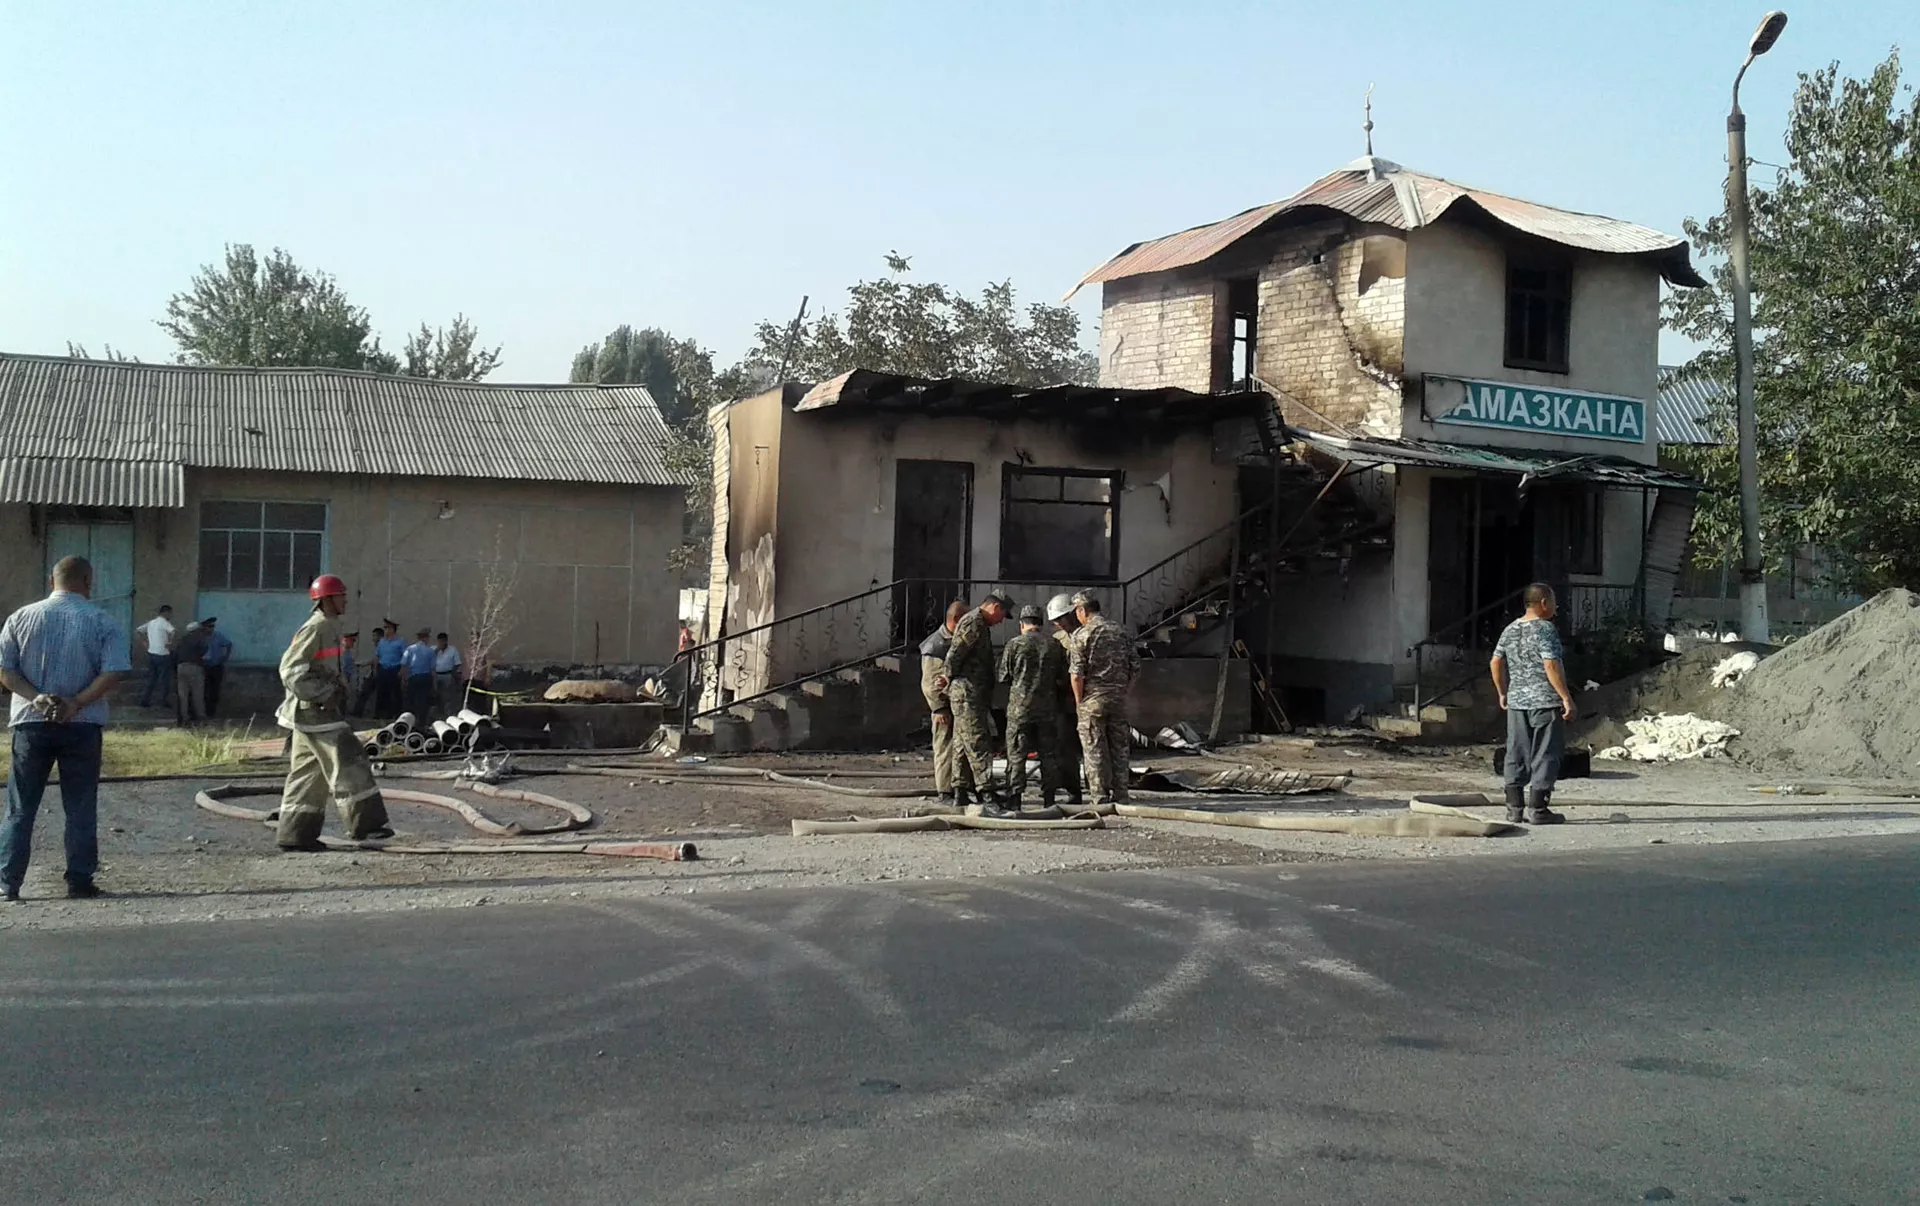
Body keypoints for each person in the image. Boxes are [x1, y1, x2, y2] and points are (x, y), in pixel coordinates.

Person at [0, 556, 129, 901]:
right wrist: (76, 703)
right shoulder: (103, 621)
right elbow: (114, 671)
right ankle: (79, 881)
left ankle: (8, 883)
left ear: (51, 581)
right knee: (80, 805)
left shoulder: (20, 618)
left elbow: (6, 671)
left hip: (31, 724)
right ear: (88, 581)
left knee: (20, 806)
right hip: (82, 726)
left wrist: (37, 698)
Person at [275, 575, 393, 851]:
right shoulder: (316, 627)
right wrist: (324, 694)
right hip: (314, 712)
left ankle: (295, 835)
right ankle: (367, 825)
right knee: (349, 758)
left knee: (307, 773)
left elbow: (321, 667)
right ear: (326, 600)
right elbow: (290, 670)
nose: (345, 600)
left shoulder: (329, 626)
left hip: (308, 713)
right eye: (341, 596)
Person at [1489, 583, 1574, 825]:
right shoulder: (1546, 629)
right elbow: (1550, 665)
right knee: (1546, 752)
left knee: (1516, 751)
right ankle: (1538, 808)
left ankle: (1514, 808)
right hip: (1545, 701)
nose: (1556, 607)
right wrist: (1566, 697)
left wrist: (1502, 691)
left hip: (1517, 702)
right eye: (1553, 601)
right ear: (1544, 602)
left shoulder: (1510, 629)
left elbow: (1495, 661)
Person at [941, 588, 1013, 817]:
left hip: (971, 692)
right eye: (1002, 615)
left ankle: (960, 790)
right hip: (967, 691)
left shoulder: (979, 623)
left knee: (962, 743)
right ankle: (986, 793)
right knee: (978, 741)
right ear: (995, 607)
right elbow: (956, 653)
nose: (1001, 621)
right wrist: (947, 677)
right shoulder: (973, 622)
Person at [1070, 591, 1139, 807]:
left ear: (1082, 610)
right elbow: (1136, 667)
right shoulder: (1121, 632)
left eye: (1076, 612)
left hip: (1093, 700)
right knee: (1120, 749)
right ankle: (1122, 795)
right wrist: (1123, 692)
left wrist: (1079, 702)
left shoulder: (1082, 634)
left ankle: (1100, 798)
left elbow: (1077, 674)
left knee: (1094, 749)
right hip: (1118, 700)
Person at [998, 604, 1070, 808]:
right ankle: (1049, 799)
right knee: (1048, 755)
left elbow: (1003, 676)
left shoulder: (1014, 644)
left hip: (1020, 710)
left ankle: (1015, 799)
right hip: (1047, 710)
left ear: (1022, 624)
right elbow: (1063, 677)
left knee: (1016, 755)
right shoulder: (1054, 645)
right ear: (1041, 623)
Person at [918, 600, 965, 805]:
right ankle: (945, 791)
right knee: (945, 747)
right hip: (944, 707)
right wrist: (938, 707)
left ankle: (959, 788)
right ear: (956, 619)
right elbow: (930, 682)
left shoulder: (955, 640)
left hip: (958, 704)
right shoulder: (935, 645)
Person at [1046, 593, 1084, 809]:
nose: (1059, 624)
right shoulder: (1057, 641)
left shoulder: (1088, 635)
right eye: (1055, 621)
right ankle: (1072, 790)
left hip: (1088, 699)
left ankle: (1104, 789)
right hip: (1065, 702)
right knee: (1065, 748)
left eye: (1061, 619)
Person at [172, 619, 211, 727]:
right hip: (194, 667)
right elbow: (204, 650)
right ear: (197, 630)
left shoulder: (181, 640)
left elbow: (175, 653)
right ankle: (201, 718)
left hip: (180, 667)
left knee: (183, 695)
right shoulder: (199, 638)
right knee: (197, 694)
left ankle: (184, 718)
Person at [137, 603, 175, 709]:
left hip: (151, 653)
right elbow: (173, 631)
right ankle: (163, 700)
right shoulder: (164, 623)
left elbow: (138, 631)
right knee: (164, 679)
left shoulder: (151, 623)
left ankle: (145, 700)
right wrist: (170, 642)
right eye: (170, 613)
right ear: (166, 613)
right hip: (162, 654)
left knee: (151, 678)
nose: (171, 615)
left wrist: (144, 642)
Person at [201, 617, 233, 717]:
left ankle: (212, 712)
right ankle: (203, 711)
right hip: (204, 666)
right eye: (209, 626)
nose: (211, 629)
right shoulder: (201, 637)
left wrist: (226, 656)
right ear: (204, 627)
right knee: (204, 690)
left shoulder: (217, 635)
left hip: (216, 666)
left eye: (212, 626)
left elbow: (228, 644)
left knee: (214, 690)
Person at [401, 627, 436, 719]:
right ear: (426, 638)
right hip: (425, 678)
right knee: (423, 700)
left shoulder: (409, 649)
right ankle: (421, 720)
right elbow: (432, 669)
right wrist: (434, 683)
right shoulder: (430, 651)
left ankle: (411, 719)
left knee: (412, 699)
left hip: (413, 677)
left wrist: (404, 678)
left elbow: (404, 665)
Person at [373, 621, 406, 717]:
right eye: (385, 628)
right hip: (383, 668)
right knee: (381, 692)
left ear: (393, 629)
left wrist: (402, 670)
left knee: (395, 692)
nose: (386, 630)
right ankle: (380, 713)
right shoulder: (382, 642)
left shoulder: (400, 642)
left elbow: (405, 657)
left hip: (394, 669)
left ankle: (395, 713)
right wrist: (375, 669)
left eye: (387, 628)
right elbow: (377, 656)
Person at [432, 632, 464, 718]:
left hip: (448, 674)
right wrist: (436, 651)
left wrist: (453, 674)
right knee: (437, 694)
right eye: (439, 641)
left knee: (447, 695)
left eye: (442, 641)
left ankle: (449, 713)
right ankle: (439, 712)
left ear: (446, 641)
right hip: (436, 675)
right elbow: (429, 660)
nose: (441, 643)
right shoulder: (433, 649)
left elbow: (457, 663)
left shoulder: (452, 650)